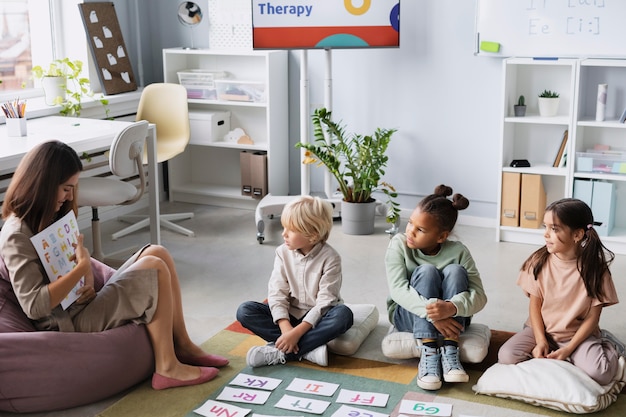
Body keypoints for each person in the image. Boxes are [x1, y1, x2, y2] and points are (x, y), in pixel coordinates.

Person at [0, 140, 229, 391]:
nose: (70, 197)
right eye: (66, 188)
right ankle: (167, 367)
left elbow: (74, 265)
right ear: (43, 184)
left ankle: (183, 345)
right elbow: (34, 306)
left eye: (73, 188)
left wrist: (85, 279)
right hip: (66, 323)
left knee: (157, 252)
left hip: (79, 305)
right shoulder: (16, 235)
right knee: (153, 266)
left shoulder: (49, 217)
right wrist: (80, 270)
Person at [498, 198, 624, 385]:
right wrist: (541, 340)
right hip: (541, 330)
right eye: (545, 227)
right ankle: (563, 354)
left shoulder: (596, 270)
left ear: (577, 235)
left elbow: (592, 318)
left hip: (577, 335)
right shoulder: (538, 261)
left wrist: (570, 348)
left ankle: (608, 344)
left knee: (601, 373)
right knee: (506, 356)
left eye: (554, 229)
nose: (546, 235)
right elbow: (535, 305)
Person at [385, 184, 487, 391]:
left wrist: (451, 308)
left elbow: (480, 296)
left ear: (441, 236)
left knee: (456, 271)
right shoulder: (399, 244)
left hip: (453, 321)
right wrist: (434, 314)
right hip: (409, 316)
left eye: (420, 229)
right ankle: (429, 350)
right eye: (410, 223)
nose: (410, 232)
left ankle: (450, 348)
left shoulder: (459, 251)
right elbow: (398, 290)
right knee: (427, 271)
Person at [236, 195, 354, 367]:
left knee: (343, 315)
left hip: (318, 318)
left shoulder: (331, 258)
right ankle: (308, 350)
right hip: (289, 317)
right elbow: (277, 293)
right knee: (245, 311)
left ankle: (281, 353)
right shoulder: (282, 253)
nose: (283, 234)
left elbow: (325, 303)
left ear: (312, 236)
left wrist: (297, 333)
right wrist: (287, 330)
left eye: (290, 230)